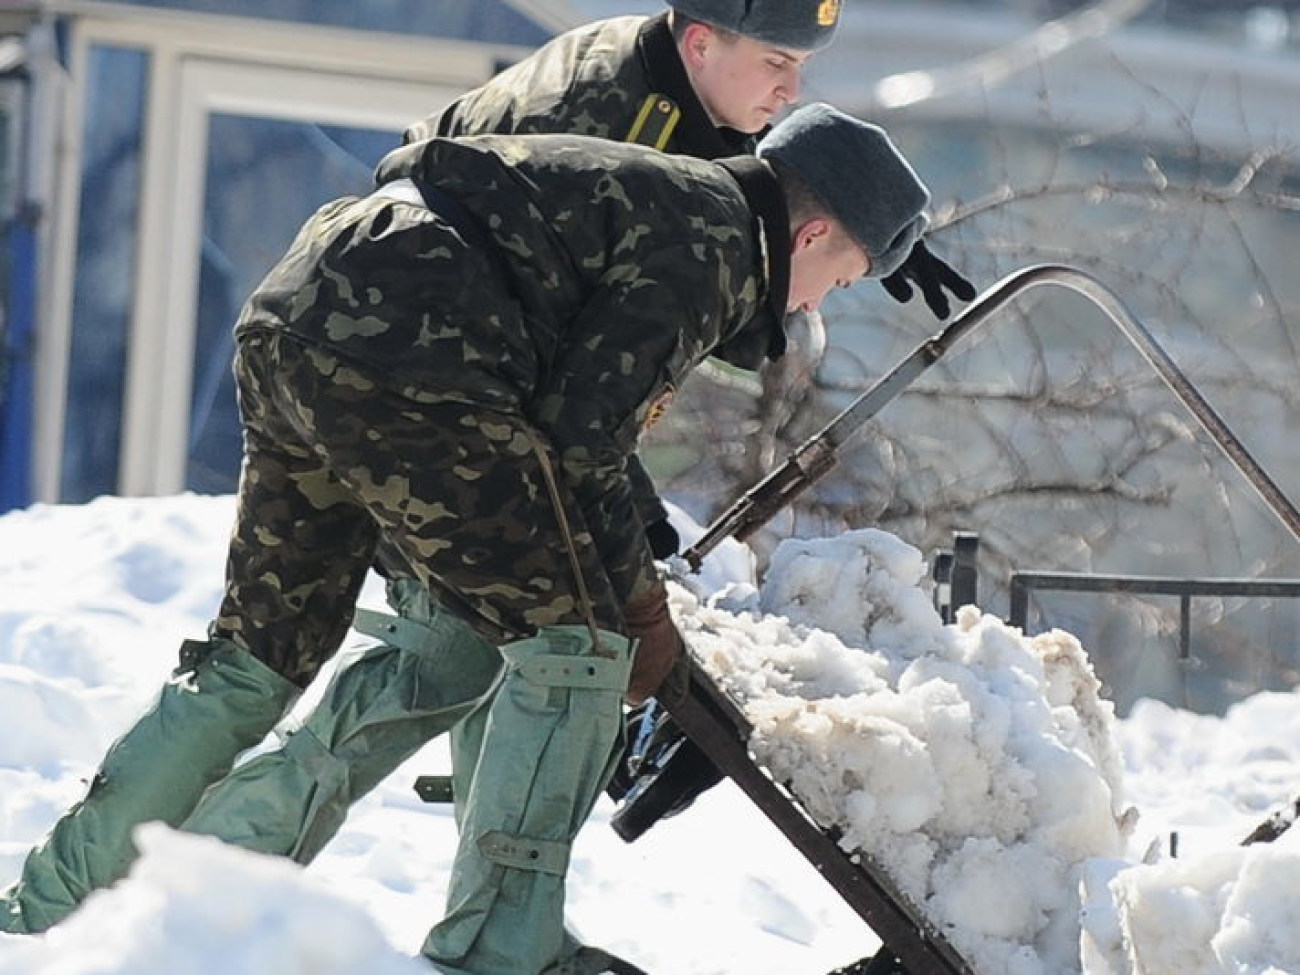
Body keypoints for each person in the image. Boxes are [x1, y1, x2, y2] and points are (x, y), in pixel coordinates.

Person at [0, 102, 936, 973]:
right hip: (410, 359)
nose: (815, 303)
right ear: (811, 234)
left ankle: (61, 907)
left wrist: (617, 557)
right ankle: (502, 950)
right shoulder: (715, 244)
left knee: (263, 658)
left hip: (302, 317)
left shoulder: (662, 193)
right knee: (577, 651)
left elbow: (561, 419)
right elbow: (580, 438)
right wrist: (639, 607)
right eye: (838, 280)